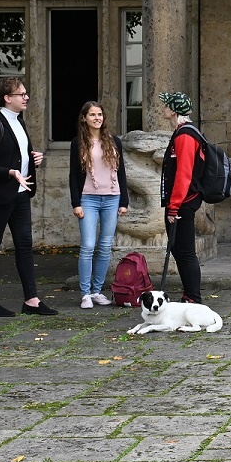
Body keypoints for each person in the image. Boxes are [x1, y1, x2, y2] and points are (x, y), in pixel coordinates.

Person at [0, 76, 55, 316]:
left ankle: (32, 300)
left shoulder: (20, 122)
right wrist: (10, 172)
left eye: (26, 93)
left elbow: (17, 156)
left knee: (25, 246)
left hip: (21, 193)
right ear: (7, 98)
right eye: (22, 94)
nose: (26, 97)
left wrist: (34, 159)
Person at [68, 100, 129, 308]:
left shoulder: (114, 141)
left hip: (112, 198)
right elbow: (74, 175)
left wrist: (124, 200)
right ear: (84, 118)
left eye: (100, 115)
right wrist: (76, 202)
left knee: (105, 247)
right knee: (88, 246)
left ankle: (96, 290)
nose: (97, 118)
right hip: (88, 198)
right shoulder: (78, 142)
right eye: (92, 115)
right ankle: (85, 293)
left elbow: (121, 172)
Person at [159, 91, 205, 305]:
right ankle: (189, 295)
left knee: (185, 251)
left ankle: (193, 298)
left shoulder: (185, 135)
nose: (163, 109)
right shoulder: (182, 132)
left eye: (166, 105)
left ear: (174, 110)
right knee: (178, 248)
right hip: (180, 202)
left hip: (183, 203)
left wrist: (174, 206)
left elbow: (184, 174)